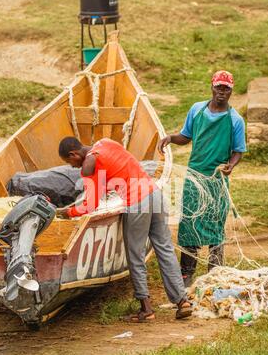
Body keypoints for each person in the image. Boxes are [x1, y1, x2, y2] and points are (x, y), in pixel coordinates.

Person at [58, 136, 192, 321]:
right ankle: (182, 301)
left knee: (135, 256)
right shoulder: (105, 142)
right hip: (155, 194)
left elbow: (89, 206)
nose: (72, 167)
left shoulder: (89, 163)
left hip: (137, 203)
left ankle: (146, 310)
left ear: (74, 154)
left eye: (69, 162)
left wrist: (68, 212)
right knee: (165, 248)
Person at [158, 70, 247, 287]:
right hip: (193, 176)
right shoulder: (197, 110)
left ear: (231, 91)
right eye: (219, 87)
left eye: (226, 88)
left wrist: (231, 165)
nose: (221, 92)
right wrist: (170, 138)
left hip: (216, 179)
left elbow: (238, 150)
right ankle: (186, 274)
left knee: (215, 224)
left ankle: (214, 273)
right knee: (189, 222)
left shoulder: (235, 120)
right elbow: (186, 136)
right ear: (212, 87)